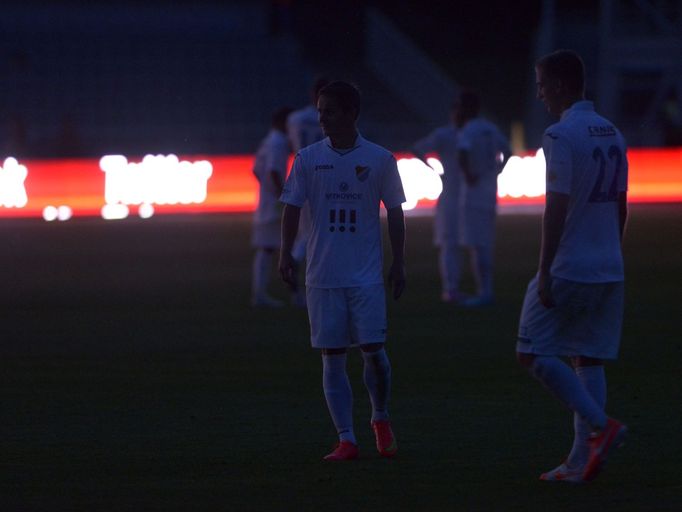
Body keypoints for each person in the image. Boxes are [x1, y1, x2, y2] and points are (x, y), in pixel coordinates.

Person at [516, 49, 628, 483]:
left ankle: (602, 428)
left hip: (571, 264)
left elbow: (556, 207)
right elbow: (621, 206)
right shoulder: (613, 132)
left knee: (532, 352)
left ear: (561, 85)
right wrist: (611, 255)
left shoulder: (560, 135)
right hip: (608, 265)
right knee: (588, 357)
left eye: (543, 83)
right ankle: (580, 463)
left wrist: (545, 269)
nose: (540, 92)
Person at [279, 81, 406, 461]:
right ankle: (346, 438)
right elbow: (291, 207)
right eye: (320, 111)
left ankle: (380, 418)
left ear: (352, 113)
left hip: (365, 276)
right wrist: (286, 253)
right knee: (331, 357)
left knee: (374, 354)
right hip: (322, 275)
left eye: (330, 111)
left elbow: (395, 212)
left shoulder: (380, 158)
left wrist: (399, 262)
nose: (322, 118)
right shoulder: (307, 159)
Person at [455, 90, 511, 306]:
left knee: (477, 245)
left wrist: (469, 174)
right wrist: (496, 170)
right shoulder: (491, 128)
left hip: (473, 193)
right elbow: (508, 150)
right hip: (489, 192)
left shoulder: (468, 130)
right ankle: (486, 290)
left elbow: (462, 153)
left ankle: (484, 293)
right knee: (485, 242)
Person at [411, 100, 464, 302]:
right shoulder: (446, 135)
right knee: (451, 243)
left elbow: (417, 148)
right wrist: (436, 171)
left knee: (457, 244)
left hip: (458, 195)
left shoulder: (460, 134)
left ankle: (453, 287)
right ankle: (450, 288)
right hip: (452, 195)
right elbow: (417, 149)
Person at [285, 77, 330, 306]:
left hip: (300, 176)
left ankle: (297, 290)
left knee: (303, 236)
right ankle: (318, 288)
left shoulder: (295, 119)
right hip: (325, 177)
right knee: (321, 236)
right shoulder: (332, 117)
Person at [250, 106, 292, 307]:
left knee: (268, 248)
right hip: (274, 205)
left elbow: (256, 171)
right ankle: (264, 294)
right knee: (278, 247)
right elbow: (274, 172)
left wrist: (267, 191)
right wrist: (281, 195)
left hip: (266, 203)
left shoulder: (268, 141)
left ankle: (261, 293)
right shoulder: (278, 143)